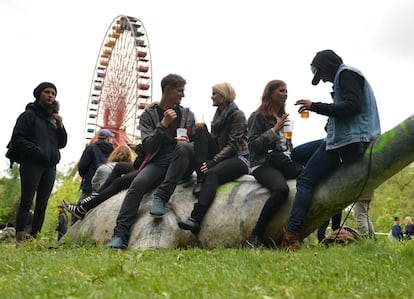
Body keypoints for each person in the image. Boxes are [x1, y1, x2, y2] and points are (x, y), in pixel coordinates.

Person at [280, 50, 381, 250]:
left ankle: (291, 235)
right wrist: (330, 122)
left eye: (322, 75)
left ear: (327, 67)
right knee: (298, 153)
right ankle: (313, 188)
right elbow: (346, 110)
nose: (324, 80)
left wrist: (314, 106)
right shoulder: (345, 77)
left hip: (348, 141)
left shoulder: (346, 74)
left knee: (305, 180)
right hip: (340, 138)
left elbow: (352, 106)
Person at [106, 73, 195, 249]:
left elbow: (196, 143)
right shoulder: (148, 116)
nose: (182, 95)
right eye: (180, 91)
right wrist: (163, 124)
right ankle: (119, 235)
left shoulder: (188, 115)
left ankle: (161, 196)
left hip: (182, 160)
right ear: (168, 89)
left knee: (184, 147)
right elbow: (148, 147)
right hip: (159, 160)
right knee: (137, 186)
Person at [178, 82, 250, 234]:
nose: (212, 97)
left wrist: (213, 162)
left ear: (223, 96)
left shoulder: (238, 115)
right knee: (200, 128)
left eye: (214, 94)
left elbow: (233, 145)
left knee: (213, 173)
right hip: (222, 154)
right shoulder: (218, 115)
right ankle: (200, 179)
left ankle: (195, 219)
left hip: (238, 157)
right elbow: (214, 141)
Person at [6, 82, 67, 242]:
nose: (51, 95)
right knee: (27, 200)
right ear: (39, 94)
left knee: (42, 203)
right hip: (32, 163)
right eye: (47, 92)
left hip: (50, 166)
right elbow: (18, 138)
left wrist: (60, 125)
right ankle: (20, 238)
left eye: (53, 93)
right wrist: (35, 151)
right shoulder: (28, 115)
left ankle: (34, 237)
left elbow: (62, 144)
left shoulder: (53, 120)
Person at [244, 80, 303, 247]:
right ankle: (255, 235)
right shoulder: (258, 117)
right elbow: (253, 145)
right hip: (262, 164)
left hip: (282, 161)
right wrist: (274, 129)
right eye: (281, 91)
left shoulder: (283, 118)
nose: (285, 94)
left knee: (306, 177)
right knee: (281, 189)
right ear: (270, 94)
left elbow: (287, 146)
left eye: (286, 91)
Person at [62, 144, 146, 220]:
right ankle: (95, 196)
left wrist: (138, 148)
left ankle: (83, 207)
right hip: (147, 164)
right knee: (119, 167)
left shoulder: (104, 167)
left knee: (118, 182)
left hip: (153, 166)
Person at [73, 128, 114, 223]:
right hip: (106, 187)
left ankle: (71, 235)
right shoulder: (114, 151)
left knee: (77, 211)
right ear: (108, 138)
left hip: (89, 185)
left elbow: (82, 166)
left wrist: (85, 176)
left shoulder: (91, 148)